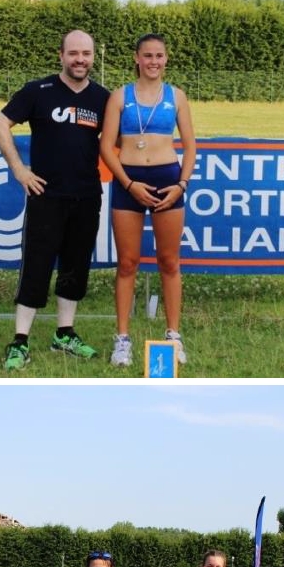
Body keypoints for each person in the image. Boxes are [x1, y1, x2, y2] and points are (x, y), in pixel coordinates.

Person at [0, 29, 110, 370]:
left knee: (75, 268)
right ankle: (20, 341)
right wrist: (19, 169)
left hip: (87, 196)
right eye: (73, 53)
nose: (80, 60)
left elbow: (122, 139)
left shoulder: (103, 98)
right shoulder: (37, 91)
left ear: (92, 57)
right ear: (60, 55)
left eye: (86, 54)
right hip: (46, 195)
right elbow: (0, 124)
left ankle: (65, 334)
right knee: (36, 268)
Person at [100, 33, 198, 367]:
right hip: (128, 182)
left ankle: (173, 335)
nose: (153, 61)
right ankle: (122, 340)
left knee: (169, 262)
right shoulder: (119, 96)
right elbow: (105, 147)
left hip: (167, 181)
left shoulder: (177, 97)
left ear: (166, 59)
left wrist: (181, 185)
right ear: (137, 58)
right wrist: (128, 184)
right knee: (127, 263)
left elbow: (190, 147)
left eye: (159, 56)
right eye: (147, 56)